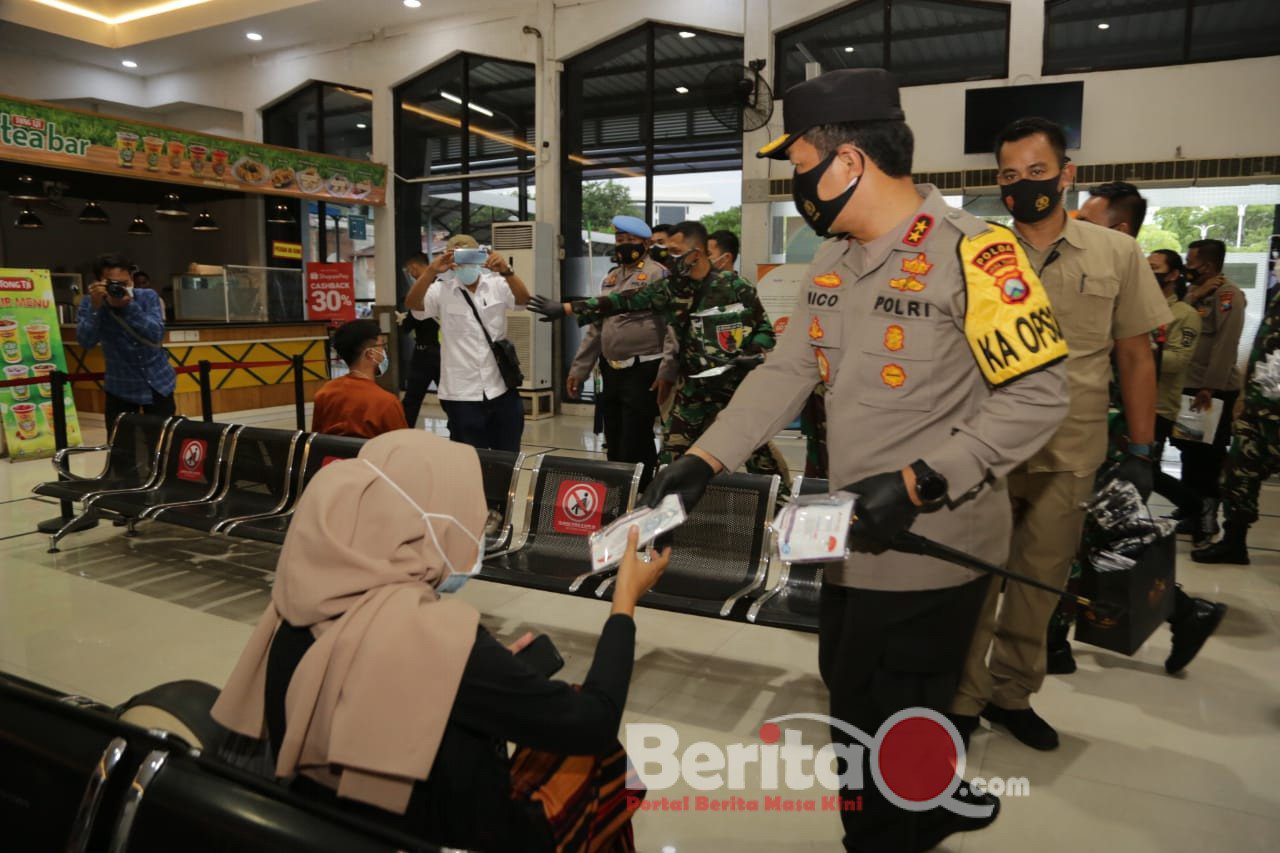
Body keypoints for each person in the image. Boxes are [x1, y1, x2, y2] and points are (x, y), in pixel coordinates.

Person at [637, 69, 1070, 852]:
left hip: (935, 549)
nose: (796, 178)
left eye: (799, 159)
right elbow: (786, 370)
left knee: (893, 721)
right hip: (844, 544)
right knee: (851, 698)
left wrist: (919, 480)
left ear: (845, 163)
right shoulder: (834, 258)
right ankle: (924, 805)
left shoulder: (980, 253)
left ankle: (888, 836)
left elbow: (1039, 399)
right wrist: (704, 458)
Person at [211, 430, 669, 851]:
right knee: (604, 762)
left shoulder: (297, 602)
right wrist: (624, 602)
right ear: (430, 521)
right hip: (453, 837)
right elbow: (593, 720)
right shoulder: (434, 637)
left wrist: (487, 669)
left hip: (337, 826)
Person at [947, 120, 1170, 752]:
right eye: (1009, 176)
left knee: (1038, 585)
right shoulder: (978, 251)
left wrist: (1141, 451)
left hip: (1068, 450)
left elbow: (1134, 357)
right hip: (984, 448)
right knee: (975, 579)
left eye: (1036, 172)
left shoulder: (1116, 253)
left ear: (1066, 175)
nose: (1023, 186)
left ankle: (1011, 694)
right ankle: (962, 699)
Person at [531, 221, 790, 491]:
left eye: (674, 250)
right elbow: (623, 300)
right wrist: (567, 308)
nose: (666, 254)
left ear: (696, 253)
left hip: (734, 391)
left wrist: (751, 352)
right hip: (693, 393)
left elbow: (765, 330)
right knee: (671, 460)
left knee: (758, 454)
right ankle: (664, 514)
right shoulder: (671, 289)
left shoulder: (735, 286)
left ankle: (783, 503)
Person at [566, 215, 675, 487]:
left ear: (646, 243)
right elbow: (597, 327)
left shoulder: (657, 274)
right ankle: (617, 489)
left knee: (635, 437)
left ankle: (643, 490)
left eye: (631, 241)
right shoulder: (611, 278)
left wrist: (667, 370)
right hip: (611, 370)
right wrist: (579, 369)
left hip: (644, 368)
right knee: (613, 435)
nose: (624, 245)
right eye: (620, 240)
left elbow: (672, 326)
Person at [405, 234, 531, 452]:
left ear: (480, 257)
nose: (465, 265)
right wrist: (431, 271)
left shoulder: (497, 285)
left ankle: (502, 487)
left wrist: (507, 271)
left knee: (508, 454)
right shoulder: (441, 290)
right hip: (461, 392)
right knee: (469, 458)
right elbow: (414, 305)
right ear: (450, 261)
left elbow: (523, 300)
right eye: (458, 259)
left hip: (500, 386)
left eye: (470, 257)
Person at [1192, 283, 1280, 565]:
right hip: (1261, 404)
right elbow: (1264, 350)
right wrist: (1245, 396)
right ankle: (1234, 543)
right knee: (1238, 472)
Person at [1176, 238, 1247, 544]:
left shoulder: (1228, 294)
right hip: (1190, 385)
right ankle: (1190, 511)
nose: (1187, 267)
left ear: (1208, 265)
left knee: (1208, 457)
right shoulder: (1196, 294)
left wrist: (1210, 386)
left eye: (1191, 262)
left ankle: (1207, 519)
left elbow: (1225, 344)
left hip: (1210, 390)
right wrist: (1194, 296)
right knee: (1189, 453)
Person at [76, 252, 177, 429]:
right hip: (120, 386)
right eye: (113, 284)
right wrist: (96, 309)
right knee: (121, 449)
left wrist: (129, 307)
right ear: (99, 282)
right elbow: (86, 341)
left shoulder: (147, 297)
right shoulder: (90, 303)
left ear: (131, 278)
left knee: (163, 444)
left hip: (159, 383)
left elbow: (156, 334)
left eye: (125, 283)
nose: (120, 288)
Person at [311, 319, 408, 438]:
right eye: (382, 346)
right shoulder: (387, 403)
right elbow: (399, 448)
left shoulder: (325, 393)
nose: (384, 352)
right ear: (370, 354)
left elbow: (317, 440)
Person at [398, 252, 442, 429]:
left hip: (426, 352)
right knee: (448, 398)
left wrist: (405, 321)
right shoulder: (442, 285)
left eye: (410, 270)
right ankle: (457, 431)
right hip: (441, 352)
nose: (410, 273)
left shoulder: (424, 289)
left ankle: (403, 432)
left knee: (412, 399)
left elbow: (413, 319)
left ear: (414, 267)